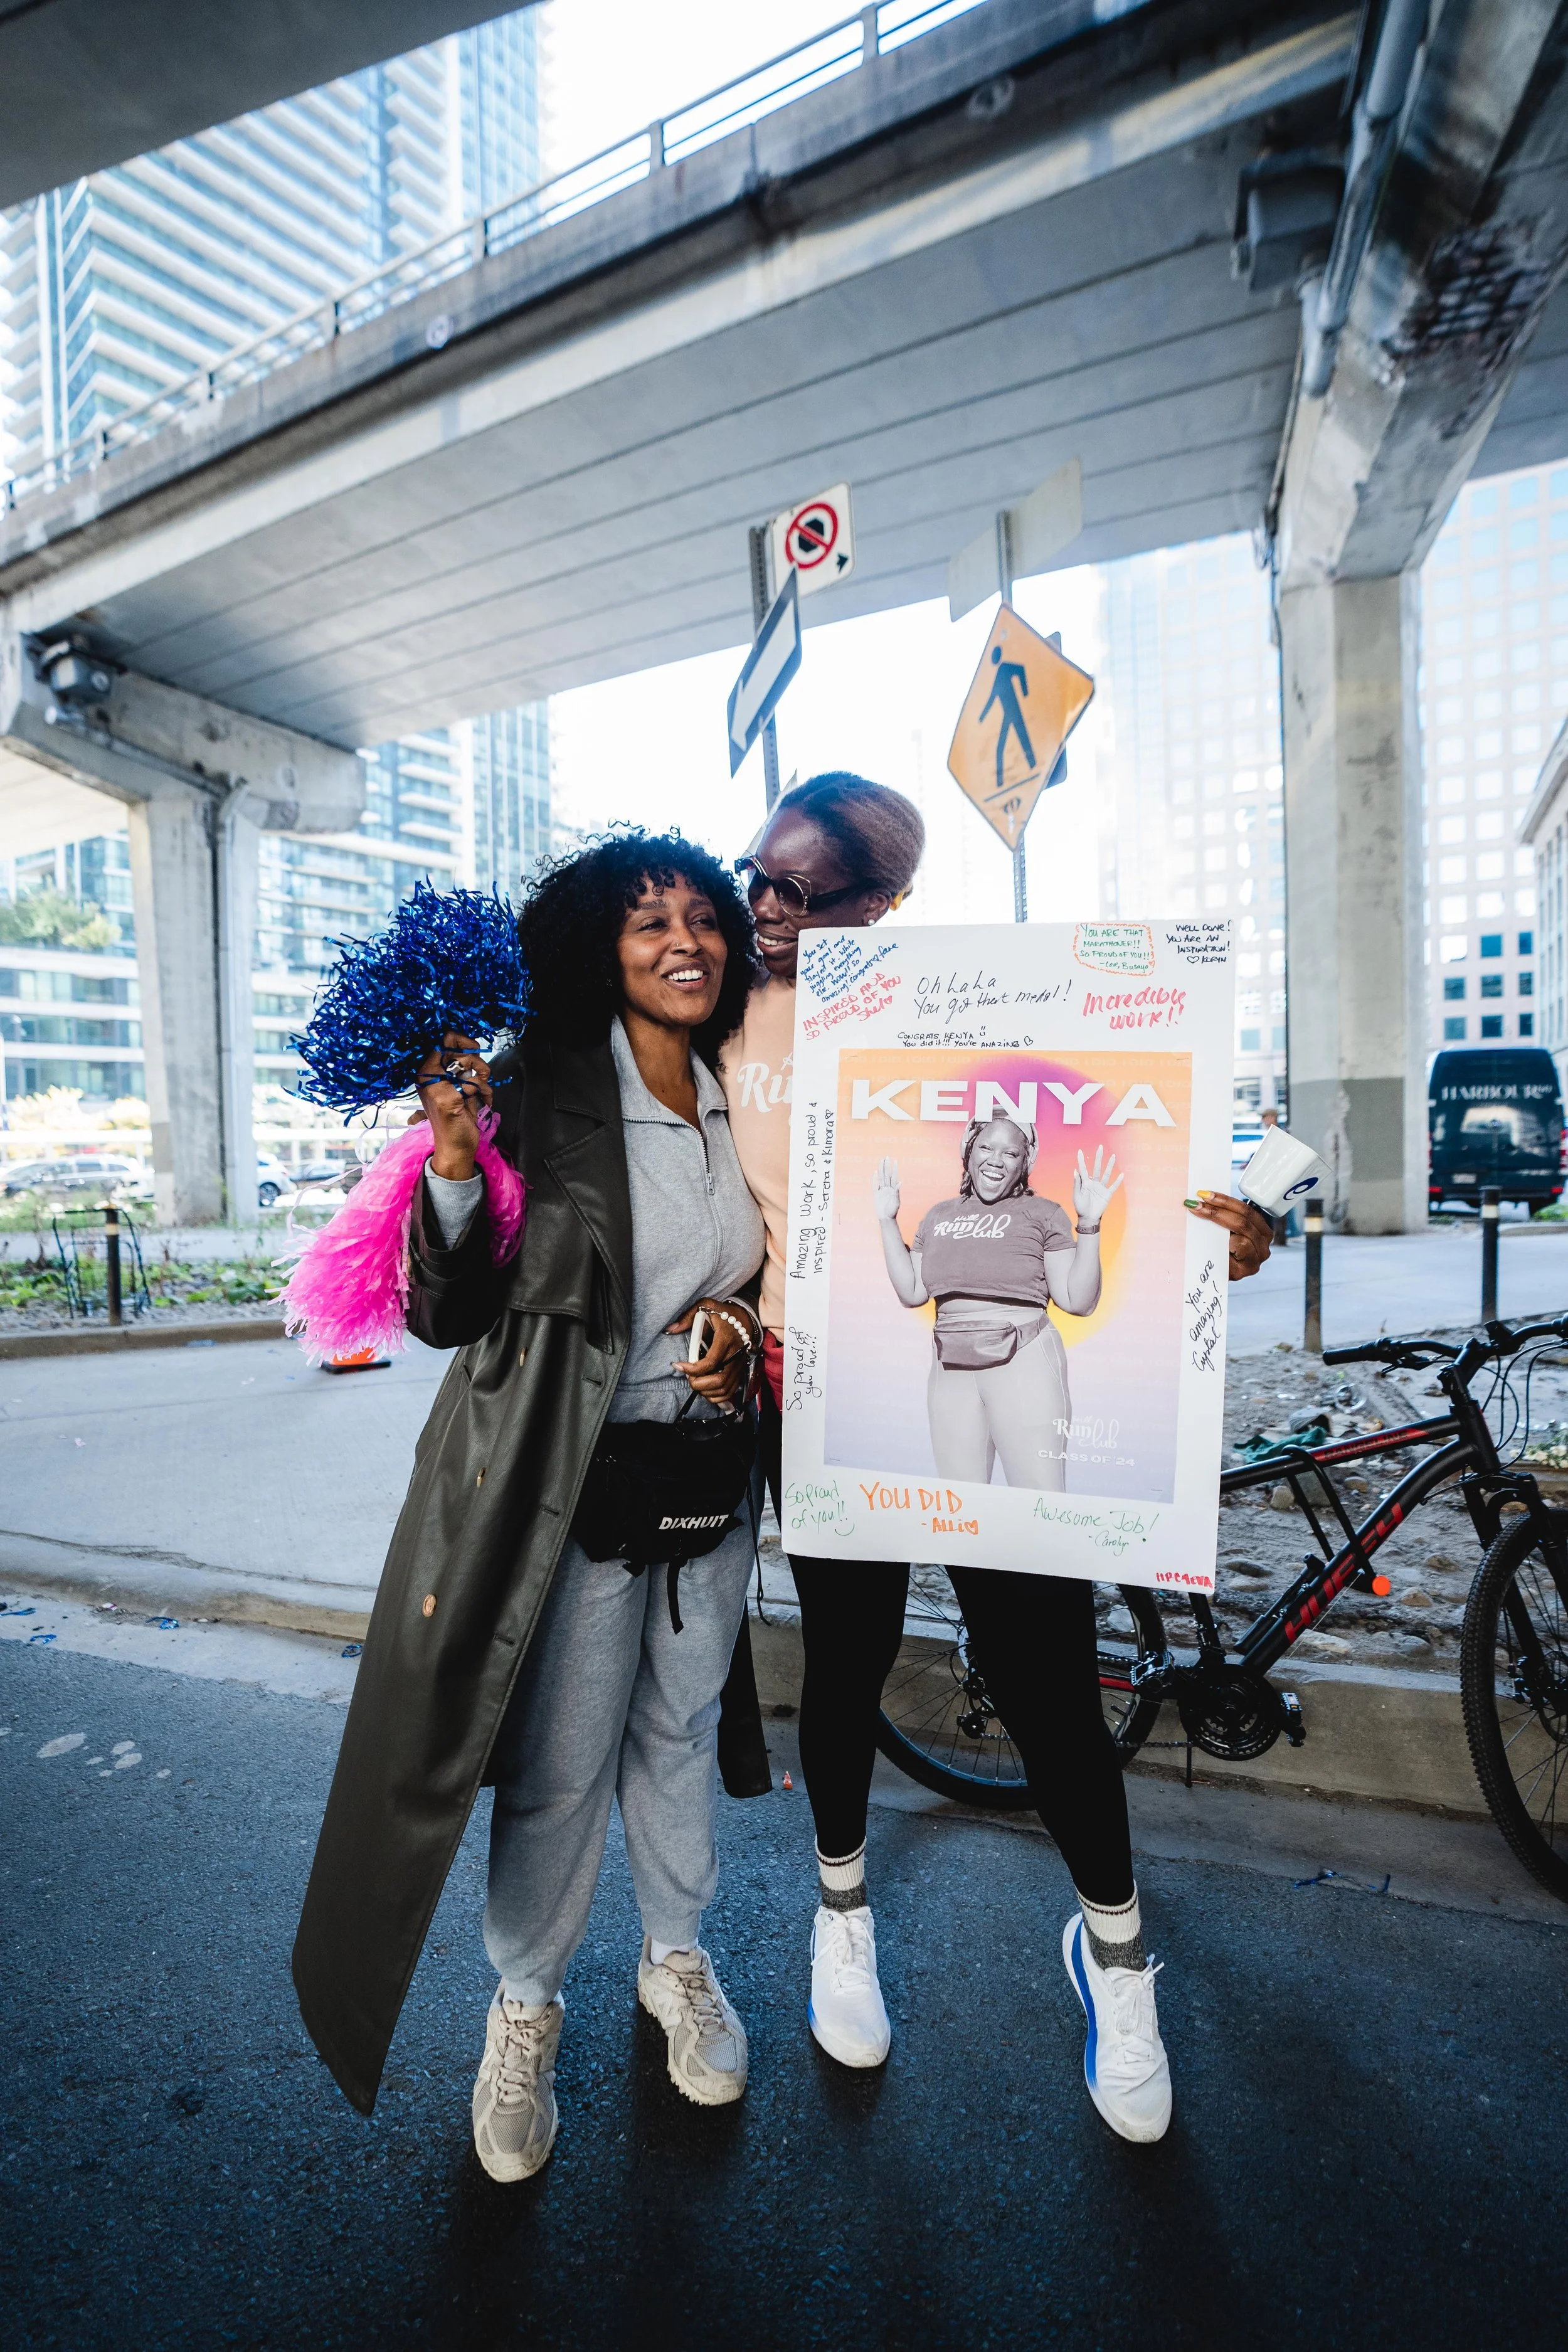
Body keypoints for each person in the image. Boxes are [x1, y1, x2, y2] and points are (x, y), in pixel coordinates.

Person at [719, 771, 1274, 2144]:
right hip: (817, 1390)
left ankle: (1115, 1953)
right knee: (841, 1660)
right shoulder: (719, 1000)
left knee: (1039, 1674)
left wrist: (1231, 1228)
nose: (765, 910)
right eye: (757, 876)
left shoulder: (984, 993)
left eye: (800, 891)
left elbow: (1158, 1143)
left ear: (884, 904)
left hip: (1008, 1381)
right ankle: (838, 1914)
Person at [293, 832, 771, 2185]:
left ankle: (676, 1963)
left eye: (702, 919)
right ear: (590, 949)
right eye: (645, 925)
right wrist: (452, 1155)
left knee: (675, 1737)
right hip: (565, 1492)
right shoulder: (530, 1085)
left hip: (709, 1489)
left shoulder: (750, 1088)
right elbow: (446, 1313)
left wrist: (735, 1320)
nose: (684, 943)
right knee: (560, 1763)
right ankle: (524, 2009)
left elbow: (762, 1259)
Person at [874, 1124, 1123, 1490]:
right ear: (969, 1153)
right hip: (950, 1366)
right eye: (987, 1148)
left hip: (1025, 1358)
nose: (996, 1161)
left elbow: (1078, 1302)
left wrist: (1089, 1224)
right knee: (960, 1503)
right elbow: (912, 1292)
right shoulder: (938, 1216)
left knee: (1038, 1498)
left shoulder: (1044, 1214)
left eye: (1011, 1153)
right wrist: (887, 1219)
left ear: (1025, 1163)